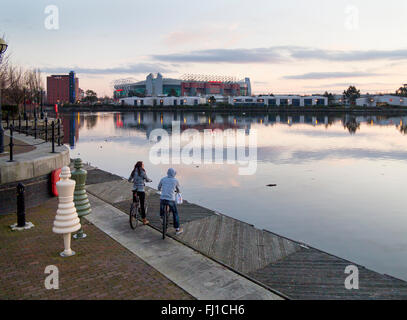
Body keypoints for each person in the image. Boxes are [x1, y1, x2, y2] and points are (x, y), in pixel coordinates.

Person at [158, 168, 183, 235]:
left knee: (162, 207)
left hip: (163, 198)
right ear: (174, 174)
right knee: (175, 213)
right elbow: (178, 189)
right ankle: (177, 229)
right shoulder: (175, 181)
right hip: (171, 200)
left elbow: (158, 187)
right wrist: (178, 191)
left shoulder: (163, 179)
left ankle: (161, 217)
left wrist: (161, 190)